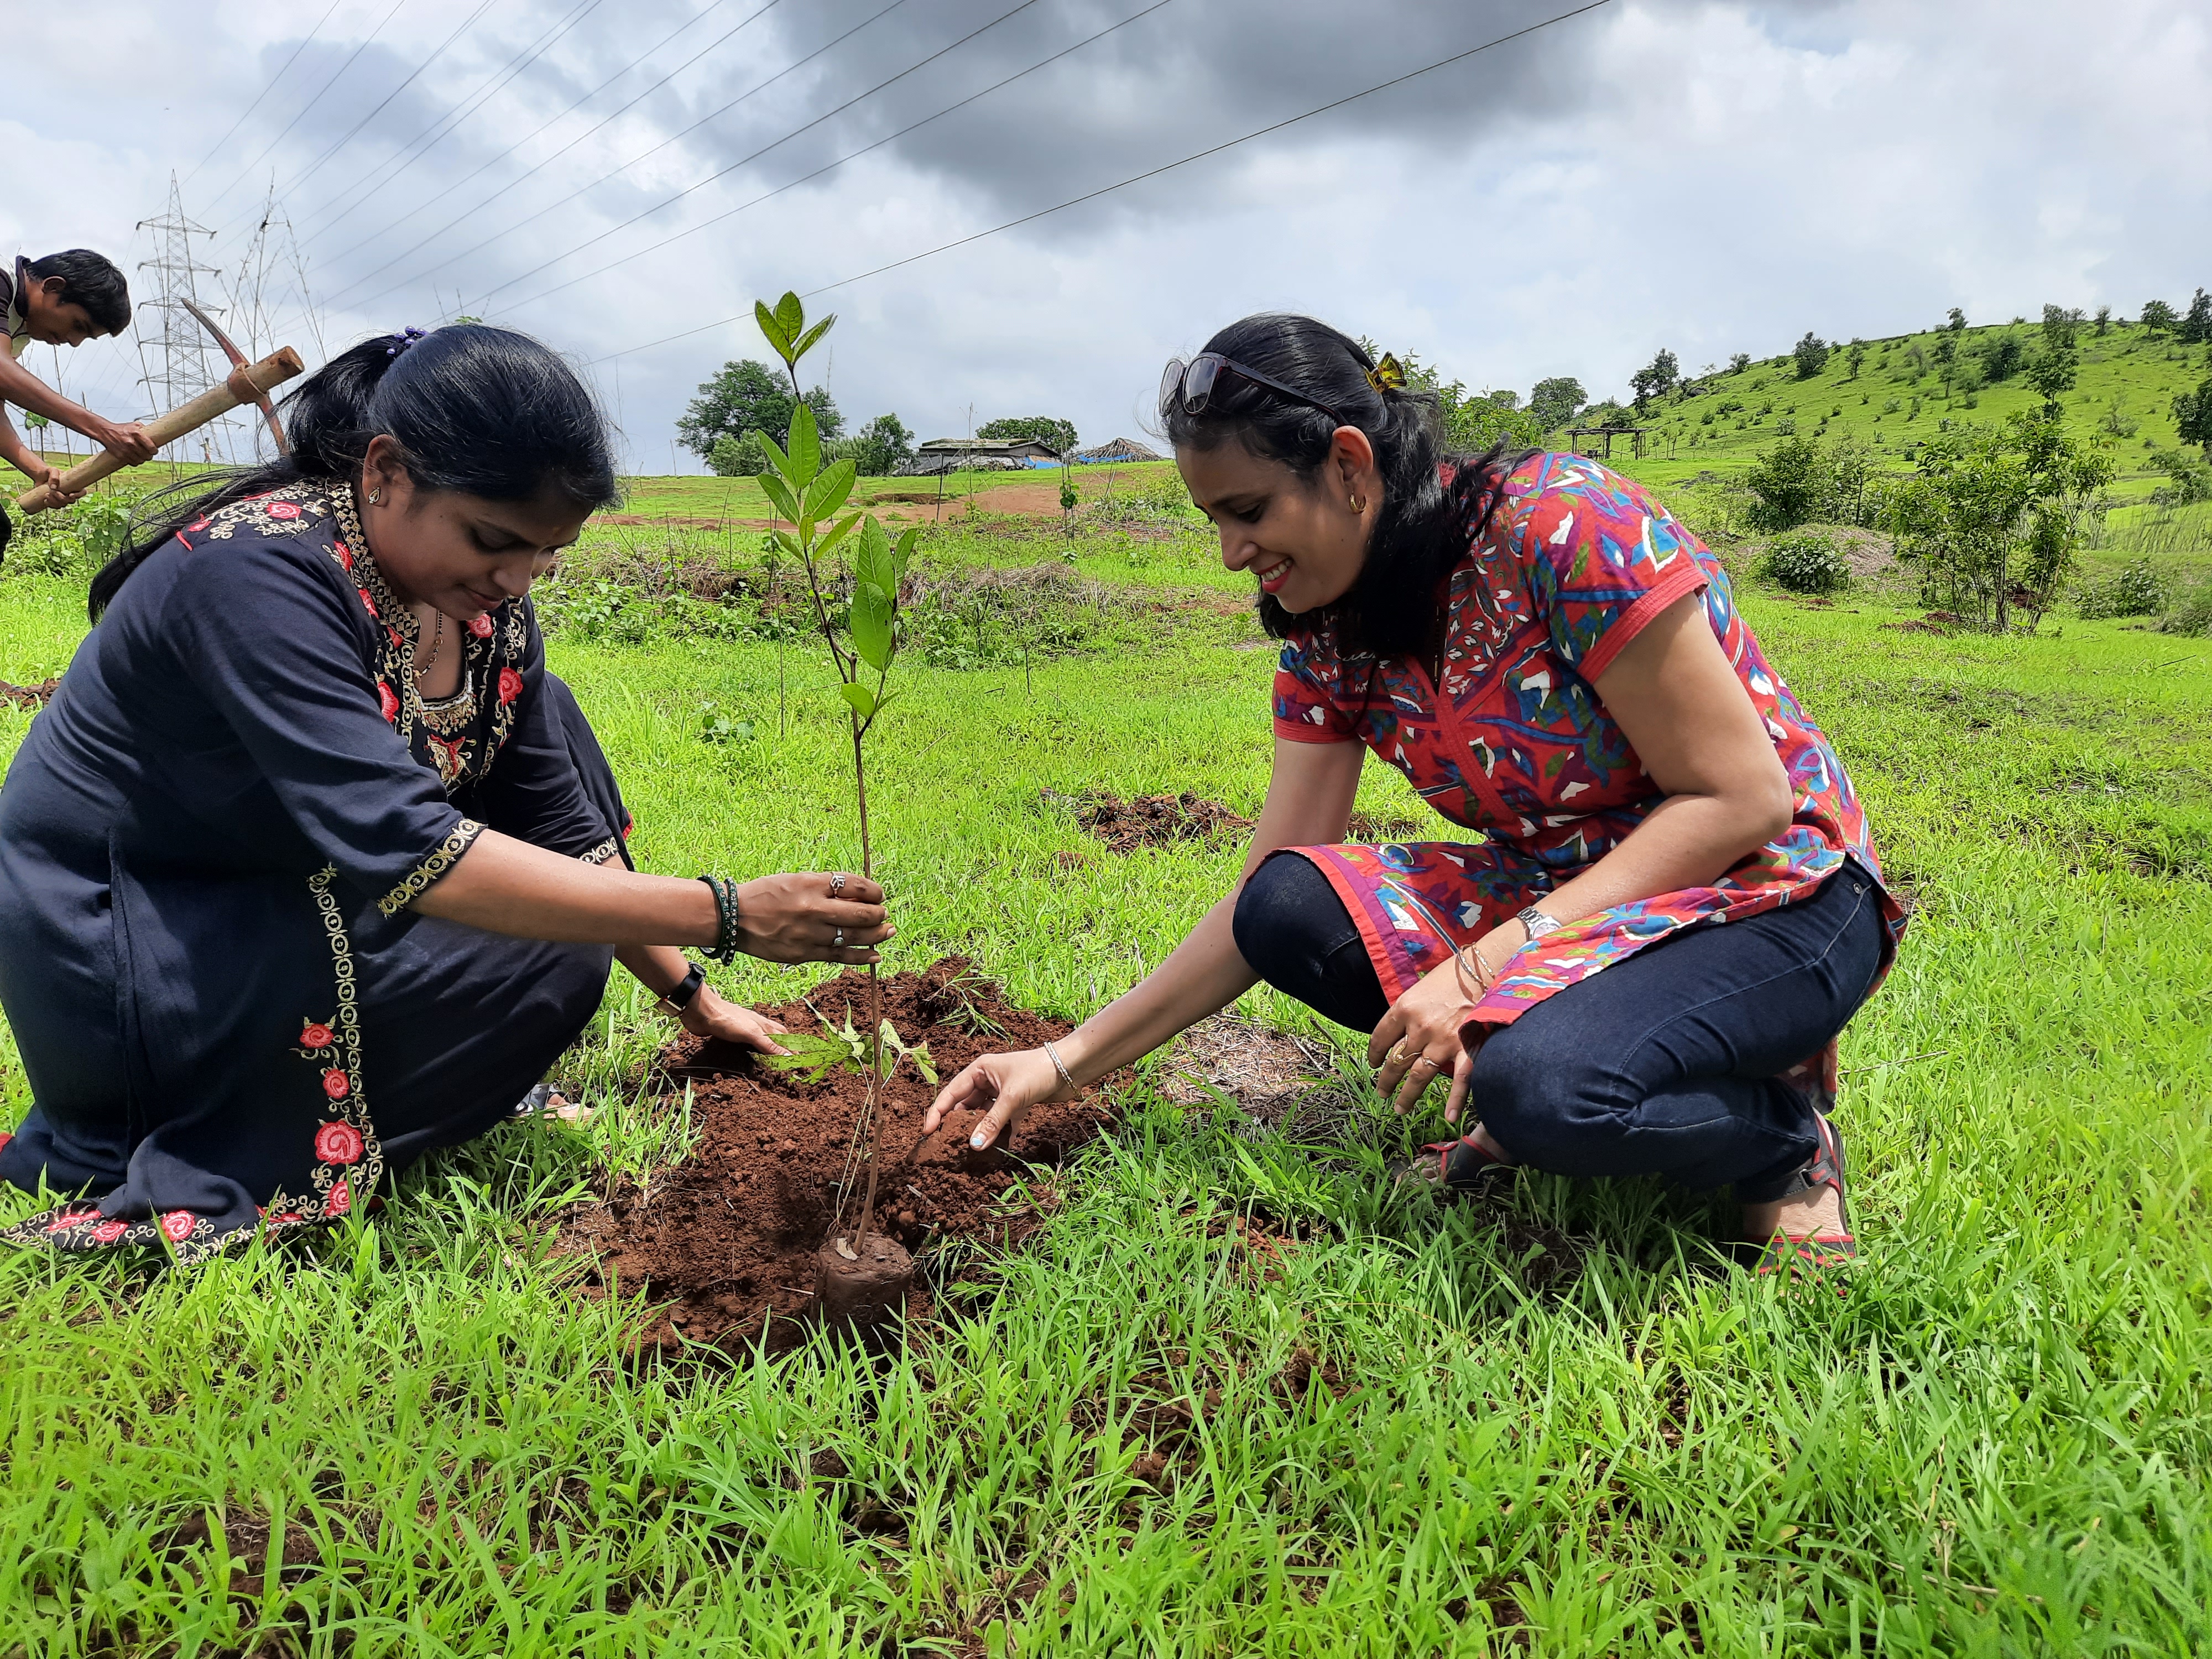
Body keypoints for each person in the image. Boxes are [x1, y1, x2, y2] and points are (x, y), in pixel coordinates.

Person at [927, 314, 1906, 1269]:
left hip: (1777, 891)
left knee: (1542, 1089)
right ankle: (1590, 1061)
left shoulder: (1564, 528)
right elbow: (1265, 882)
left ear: (1349, 467)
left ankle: (1778, 1139)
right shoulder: (1325, 631)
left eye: (1249, 509)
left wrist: (1482, 977)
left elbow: (1741, 802)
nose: (1231, 552)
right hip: (1571, 887)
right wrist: (1063, 1063)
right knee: (1288, 908)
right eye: (1212, 518)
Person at [0, 325, 890, 1265]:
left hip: (283, 895)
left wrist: (695, 995)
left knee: (561, 928)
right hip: (137, 930)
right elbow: (411, 846)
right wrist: (727, 913)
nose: (514, 579)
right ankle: (212, 1131)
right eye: (493, 540)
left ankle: (343, 1103)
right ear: (384, 471)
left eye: (547, 554)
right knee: (533, 940)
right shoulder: (255, 571)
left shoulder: (490, 613)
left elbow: (558, 828)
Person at [0, 250, 157, 552]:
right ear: (53, 287)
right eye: (78, 326)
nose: (73, 342)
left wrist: (39, 471)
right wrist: (104, 430)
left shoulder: (18, 327)